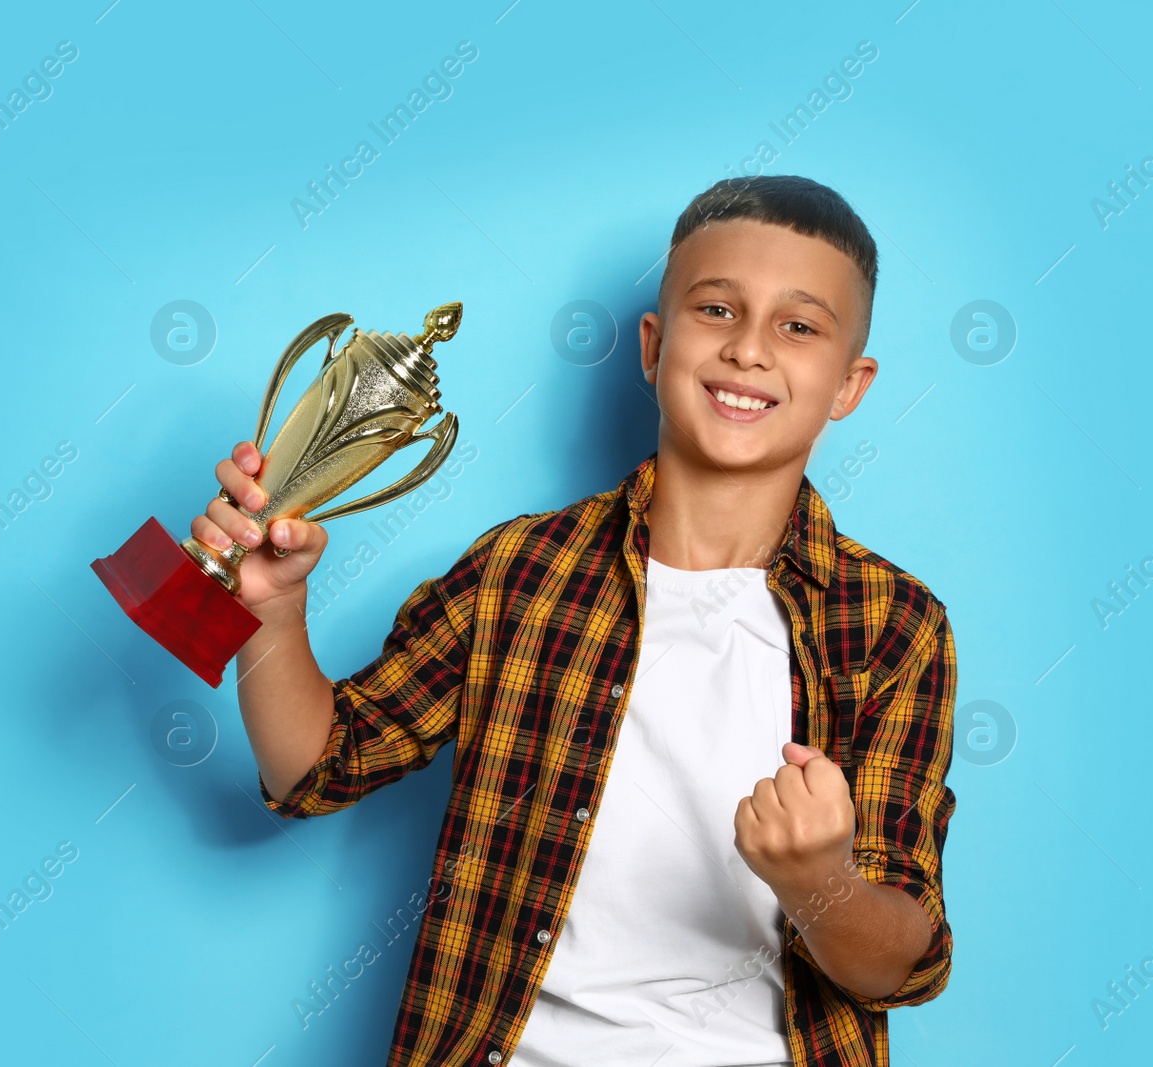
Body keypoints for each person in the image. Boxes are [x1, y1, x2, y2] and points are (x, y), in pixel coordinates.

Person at [190, 174, 957, 1067]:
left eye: (798, 325)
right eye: (717, 309)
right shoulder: (520, 573)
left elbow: (898, 960)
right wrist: (273, 613)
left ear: (849, 384)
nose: (749, 349)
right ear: (654, 345)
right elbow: (313, 768)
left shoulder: (893, 625)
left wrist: (818, 882)